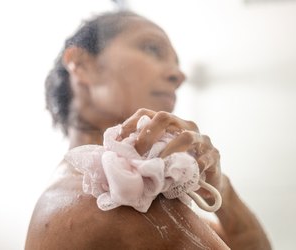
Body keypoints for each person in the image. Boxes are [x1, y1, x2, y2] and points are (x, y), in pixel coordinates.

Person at [25, 11, 271, 250]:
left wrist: (220, 188)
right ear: (81, 64)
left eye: (177, 63)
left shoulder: (144, 201)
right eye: (152, 48)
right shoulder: (102, 204)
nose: (179, 75)